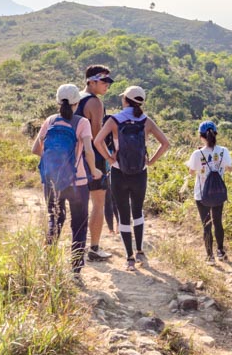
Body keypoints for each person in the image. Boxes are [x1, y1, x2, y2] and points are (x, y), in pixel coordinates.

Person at [94, 85, 170, 270]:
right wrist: (150, 161)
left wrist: (110, 159)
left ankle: (129, 258)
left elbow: (97, 141)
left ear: (125, 100)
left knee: (123, 214)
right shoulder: (146, 121)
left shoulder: (114, 120)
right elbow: (165, 144)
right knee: (138, 211)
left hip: (119, 172)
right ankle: (140, 251)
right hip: (140, 173)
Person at [32, 84, 103, 274]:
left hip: (52, 181)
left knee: (54, 220)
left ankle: (48, 263)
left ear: (57, 101)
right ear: (77, 102)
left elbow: (36, 149)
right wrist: (94, 170)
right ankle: (76, 269)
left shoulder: (50, 120)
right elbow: (88, 150)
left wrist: (55, 165)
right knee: (79, 225)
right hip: (77, 182)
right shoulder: (81, 123)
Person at [74, 65, 116, 261]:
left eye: (108, 81)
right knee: (98, 204)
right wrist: (109, 158)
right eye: (103, 81)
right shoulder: (95, 104)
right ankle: (94, 248)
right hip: (94, 159)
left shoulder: (75, 100)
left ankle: (77, 248)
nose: (107, 85)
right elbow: (97, 137)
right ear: (91, 81)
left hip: (74, 158)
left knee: (78, 205)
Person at [187, 120, 232, 263]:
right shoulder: (223, 151)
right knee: (218, 222)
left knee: (206, 224)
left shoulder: (197, 153)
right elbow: (229, 168)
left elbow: (191, 172)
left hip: (202, 195)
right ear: (216, 134)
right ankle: (220, 251)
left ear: (201, 136)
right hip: (218, 193)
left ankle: (210, 256)